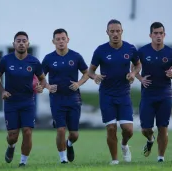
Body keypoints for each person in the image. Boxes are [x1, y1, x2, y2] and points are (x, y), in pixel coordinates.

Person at [88, 19, 141, 165]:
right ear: (107, 33)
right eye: (112, 31)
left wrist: (133, 73)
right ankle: (115, 160)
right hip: (106, 94)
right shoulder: (100, 50)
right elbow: (90, 70)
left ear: (122, 31)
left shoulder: (130, 48)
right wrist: (95, 76)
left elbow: (137, 65)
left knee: (128, 130)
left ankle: (124, 144)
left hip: (123, 94)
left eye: (118, 31)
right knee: (111, 128)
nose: (115, 34)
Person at [0, 31, 46, 167]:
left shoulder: (34, 62)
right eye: (18, 41)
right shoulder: (6, 60)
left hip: (28, 102)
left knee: (27, 132)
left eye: (24, 41)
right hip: (11, 102)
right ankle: (11, 147)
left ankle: (23, 162)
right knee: (13, 135)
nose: (21, 43)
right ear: (14, 44)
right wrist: (2, 91)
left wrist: (41, 87)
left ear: (28, 44)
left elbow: (42, 80)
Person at [42, 28, 89, 163]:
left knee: (74, 134)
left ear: (68, 40)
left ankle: (69, 144)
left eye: (63, 39)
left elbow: (87, 73)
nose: (61, 41)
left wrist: (79, 83)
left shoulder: (76, 56)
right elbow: (40, 77)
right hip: (57, 99)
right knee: (61, 130)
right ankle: (63, 159)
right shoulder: (49, 58)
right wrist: (48, 86)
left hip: (73, 99)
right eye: (58, 39)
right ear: (53, 41)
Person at [134, 22, 172, 162]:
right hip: (148, 95)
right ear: (150, 35)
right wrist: (140, 78)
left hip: (165, 94)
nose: (158, 36)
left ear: (164, 35)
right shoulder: (143, 51)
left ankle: (160, 158)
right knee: (145, 129)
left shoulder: (169, 52)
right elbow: (134, 68)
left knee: (163, 127)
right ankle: (150, 139)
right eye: (155, 33)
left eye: (160, 33)